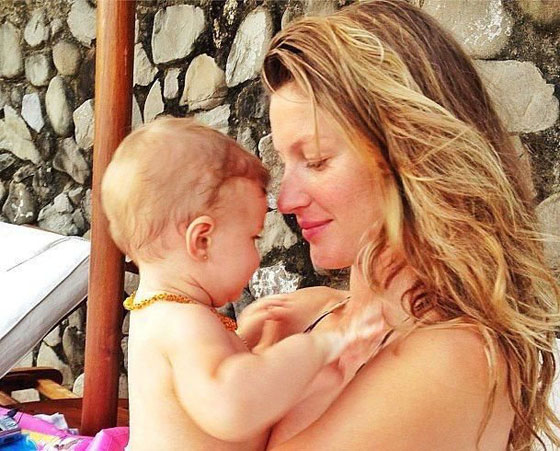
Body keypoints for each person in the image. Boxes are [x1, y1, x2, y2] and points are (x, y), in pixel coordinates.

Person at [244, 0, 560, 449]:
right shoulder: (313, 312)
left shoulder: (452, 359)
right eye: (284, 162)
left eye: (315, 160)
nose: (287, 200)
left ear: (411, 154)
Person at [100, 117, 383, 451]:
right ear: (202, 240)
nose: (256, 255)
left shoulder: (162, 311)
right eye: (252, 238)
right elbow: (231, 408)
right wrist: (315, 348)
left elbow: (207, 391)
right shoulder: (184, 323)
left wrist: (248, 343)